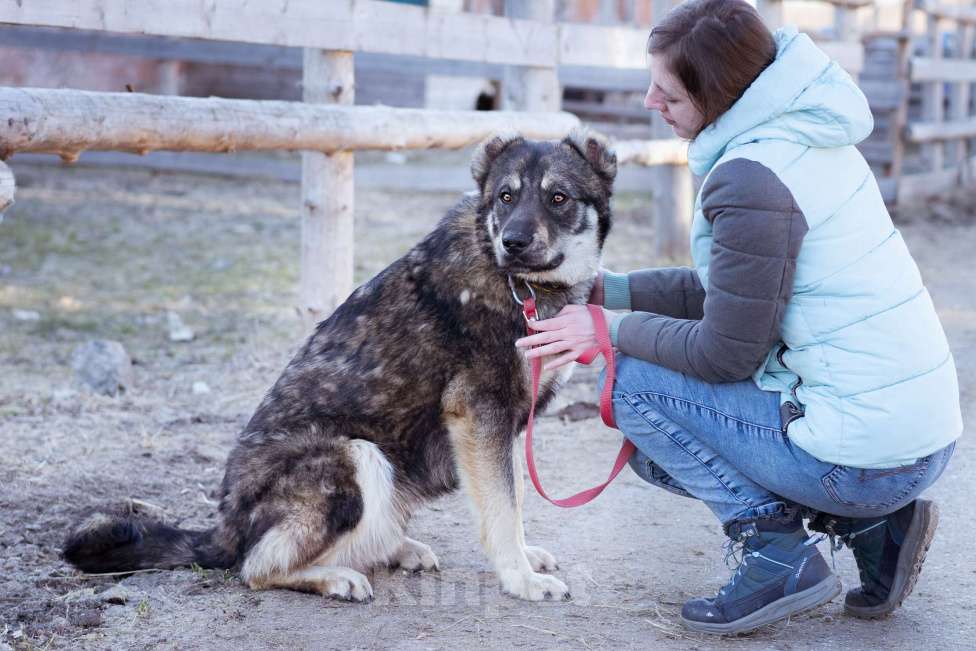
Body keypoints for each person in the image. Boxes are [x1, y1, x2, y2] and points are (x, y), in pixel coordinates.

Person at [515, 0, 962, 635]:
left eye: (667, 92)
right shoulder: (801, 138)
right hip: (914, 441)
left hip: (865, 456)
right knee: (655, 444)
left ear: (717, 94)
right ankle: (875, 528)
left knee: (635, 386)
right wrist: (607, 292)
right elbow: (737, 293)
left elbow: (728, 351)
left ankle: (780, 555)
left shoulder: (753, 177)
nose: (649, 101)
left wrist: (607, 333)